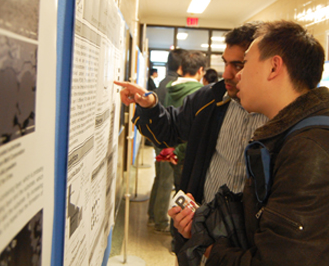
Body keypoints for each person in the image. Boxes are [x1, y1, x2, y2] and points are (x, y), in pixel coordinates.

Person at [203, 20, 329, 265]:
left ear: (274, 67)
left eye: (246, 63)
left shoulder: (314, 155)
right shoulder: (294, 139)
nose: (237, 74)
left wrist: (210, 251)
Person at [114, 22, 268, 255]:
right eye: (226, 62)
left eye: (238, 65)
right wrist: (150, 105)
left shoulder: (282, 117)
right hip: (199, 233)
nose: (227, 73)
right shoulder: (210, 99)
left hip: (251, 246)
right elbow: (170, 130)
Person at [146, 49, 186, 233]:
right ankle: (161, 221)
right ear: (180, 66)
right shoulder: (174, 84)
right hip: (168, 143)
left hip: (158, 140)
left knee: (160, 177)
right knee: (166, 181)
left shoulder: (162, 82)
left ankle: (153, 215)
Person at [163, 51, 206, 190]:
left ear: (181, 68)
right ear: (200, 70)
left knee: (177, 191)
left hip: (170, 149)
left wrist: (173, 151)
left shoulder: (172, 88)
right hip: (186, 154)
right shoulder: (200, 92)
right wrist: (179, 152)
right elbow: (197, 130)